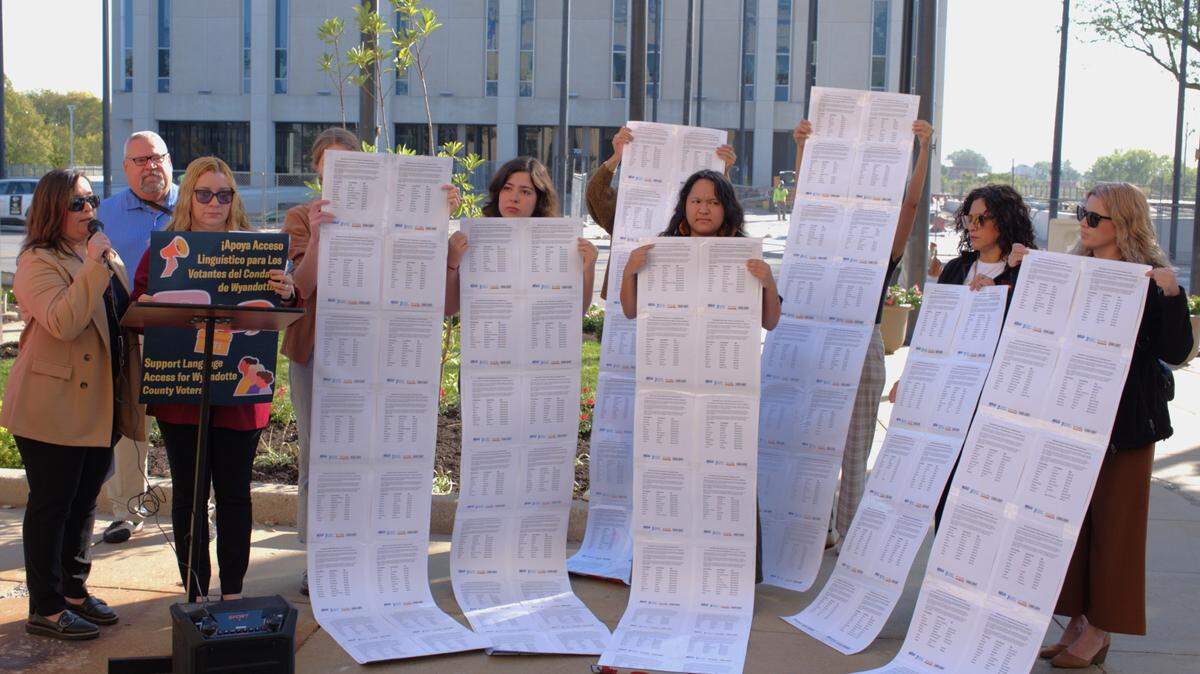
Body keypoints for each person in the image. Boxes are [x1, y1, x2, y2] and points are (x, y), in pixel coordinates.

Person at [286, 128, 461, 595]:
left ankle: (367, 553)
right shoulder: (301, 218)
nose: (340, 173)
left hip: (375, 355)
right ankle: (318, 560)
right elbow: (299, 288)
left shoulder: (390, 212)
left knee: (370, 455)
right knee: (318, 458)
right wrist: (323, 237)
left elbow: (429, 282)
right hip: (316, 351)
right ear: (318, 170)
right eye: (331, 165)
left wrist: (440, 213)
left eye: (350, 163)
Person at [1038, 183, 1192, 668]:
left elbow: (1174, 351)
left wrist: (1171, 294)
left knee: (1116, 528)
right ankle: (1080, 620)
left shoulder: (1148, 279)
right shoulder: (1073, 271)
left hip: (1127, 425)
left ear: (1122, 224)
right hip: (1073, 417)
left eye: (1094, 217)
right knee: (1075, 525)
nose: (1083, 222)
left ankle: (1101, 629)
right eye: (1081, 213)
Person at [131, 157, 296, 602]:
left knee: (234, 494)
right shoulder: (165, 248)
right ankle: (196, 592)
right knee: (189, 494)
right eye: (204, 193)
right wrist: (148, 302)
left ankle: (234, 593)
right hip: (182, 390)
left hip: (240, 393)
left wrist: (287, 291)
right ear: (189, 197)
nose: (214, 203)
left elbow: (280, 310)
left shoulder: (255, 250)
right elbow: (137, 307)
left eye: (224, 194)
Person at [1, 170, 146, 639]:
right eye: (77, 204)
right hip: (54, 404)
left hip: (101, 401)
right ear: (51, 211)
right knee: (52, 505)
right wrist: (94, 264)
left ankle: (73, 591)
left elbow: (116, 315)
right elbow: (63, 322)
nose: (89, 211)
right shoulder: (36, 262)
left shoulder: (97, 254)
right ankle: (45, 606)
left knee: (85, 501)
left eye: (91, 201)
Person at [619, 169, 781, 582]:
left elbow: (771, 321)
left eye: (712, 201)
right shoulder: (663, 249)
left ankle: (739, 574)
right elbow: (630, 311)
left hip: (727, 391)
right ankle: (659, 569)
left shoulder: (745, 254)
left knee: (730, 471)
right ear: (684, 207)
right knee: (668, 473)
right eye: (695, 200)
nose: (703, 208)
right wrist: (629, 271)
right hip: (670, 388)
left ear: (725, 208)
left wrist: (767, 281)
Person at [793, 117, 935, 546]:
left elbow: (910, 205)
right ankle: (821, 527)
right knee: (818, 442)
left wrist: (923, 149)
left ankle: (849, 531)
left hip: (865, 341)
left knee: (856, 446)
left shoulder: (884, 249)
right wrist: (803, 148)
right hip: (821, 344)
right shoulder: (822, 243)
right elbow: (808, 200)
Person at [892, 184, 1039, 525]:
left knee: (986, 495)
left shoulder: (1024, 271)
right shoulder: (956, 270)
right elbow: (934, 332)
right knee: (942, 493)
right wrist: (910, 378)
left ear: (1003, 222)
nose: (971, 226)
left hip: (997, 399)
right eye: (968, 218)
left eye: (981, 219)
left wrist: (1005, 290)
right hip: (951, 396)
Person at [94, 130, 178, 544]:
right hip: (131, 335)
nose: (151, 167)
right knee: (129, 426)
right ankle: (128, 510)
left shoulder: (199, 203)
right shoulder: (105, 213)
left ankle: (199, 509)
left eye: (156, 158)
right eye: (140, 161)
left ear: (169, 159)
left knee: (197, 426)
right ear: (125, 168)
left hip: (191, 336)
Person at [585, 127, 736, 300]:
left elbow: (728, 220)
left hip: (680, 301)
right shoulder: (630, 203)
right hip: (627, 301)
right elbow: (596, 194)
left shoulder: (698, 210)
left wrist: (723, 173)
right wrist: (617, 157)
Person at [445, 156, 598, 316]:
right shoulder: (473, 239)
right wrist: (452, 263)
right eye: (507, 188)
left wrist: (589, 268)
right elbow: (450, 308)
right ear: (498, 192)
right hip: (490, 339)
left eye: (525, 192)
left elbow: (576, 312)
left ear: (539, 199)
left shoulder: (559, 244)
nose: (514, 198)